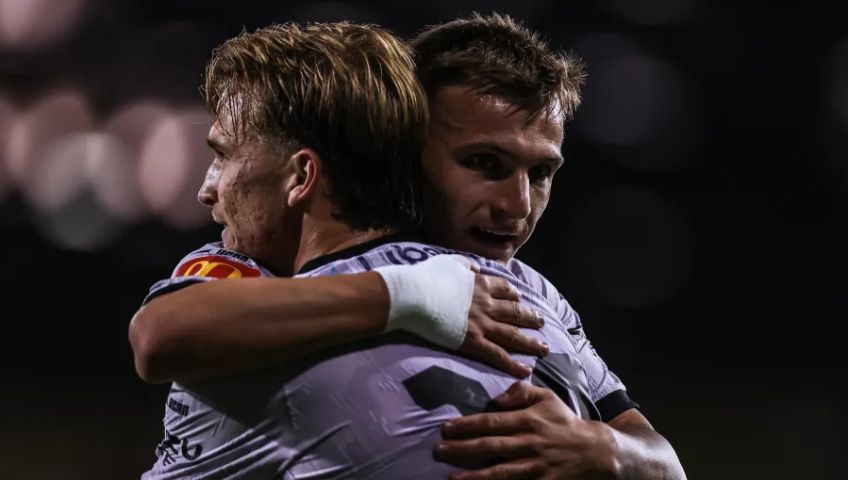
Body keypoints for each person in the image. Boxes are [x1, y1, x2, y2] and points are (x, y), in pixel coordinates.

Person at [131, 21, 599, 479]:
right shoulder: (528, 301)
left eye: (223, 155)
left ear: (301, 176)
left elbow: (159, 336)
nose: (207, 189)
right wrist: (411, 295)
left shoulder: (252, 333)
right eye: (484, 163)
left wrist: (611, 451)